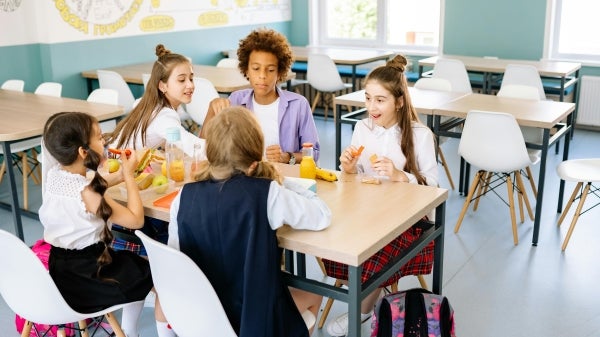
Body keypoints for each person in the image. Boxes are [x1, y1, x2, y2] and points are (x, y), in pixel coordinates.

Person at [168, 106, 331, 337]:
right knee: (314, 293)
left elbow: (177, 259)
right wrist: (285, 183)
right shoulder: (267, 193)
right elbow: (322, 215)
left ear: (210, 154)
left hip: (201, 318)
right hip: (256, 321)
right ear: (254, 162)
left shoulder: (182, 197)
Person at [324, 55, 439, 337]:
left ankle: (361, 312)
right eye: (368, 98)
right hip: (367, 212)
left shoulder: (420, 134)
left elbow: (434, 185)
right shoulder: (362, 128)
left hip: (407, 220)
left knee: (374, 248)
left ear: (399, 101)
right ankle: (372, 295)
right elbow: (352, 179)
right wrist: (349, 168)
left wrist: (402, 176)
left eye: (380, 100)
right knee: (334, 235)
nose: (371, 107)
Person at [39, 111, 174, 337]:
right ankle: (141, 332)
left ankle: (130, 330)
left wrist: (120, 174)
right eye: (100, 137)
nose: (104, 141)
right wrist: (130, 176)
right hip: (91, 278)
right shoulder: (89, 194)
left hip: (60, 273)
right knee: (162, 273)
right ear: (83, 151)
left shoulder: (55, 175)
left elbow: (91, 184)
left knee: (135, 264)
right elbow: (136, 219)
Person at [105, 43, 205, 257]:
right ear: (162, 86)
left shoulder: (144, 102)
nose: (190, 85)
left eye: (191, 78)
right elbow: (190, 146)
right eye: (181, 80)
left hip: (114, 175)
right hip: (128, 183)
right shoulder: (166, 118)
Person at [200, 28, 320, 164]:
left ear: (279, 73)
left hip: (282, 177)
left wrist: (287, 157)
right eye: (256, 69)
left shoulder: (298, 104)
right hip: (244, 177)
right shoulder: (236, 100)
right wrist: (211, 110)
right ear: (246, 70)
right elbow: (203, 147)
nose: (262, 76)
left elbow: (313, 153)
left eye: (270, 70)